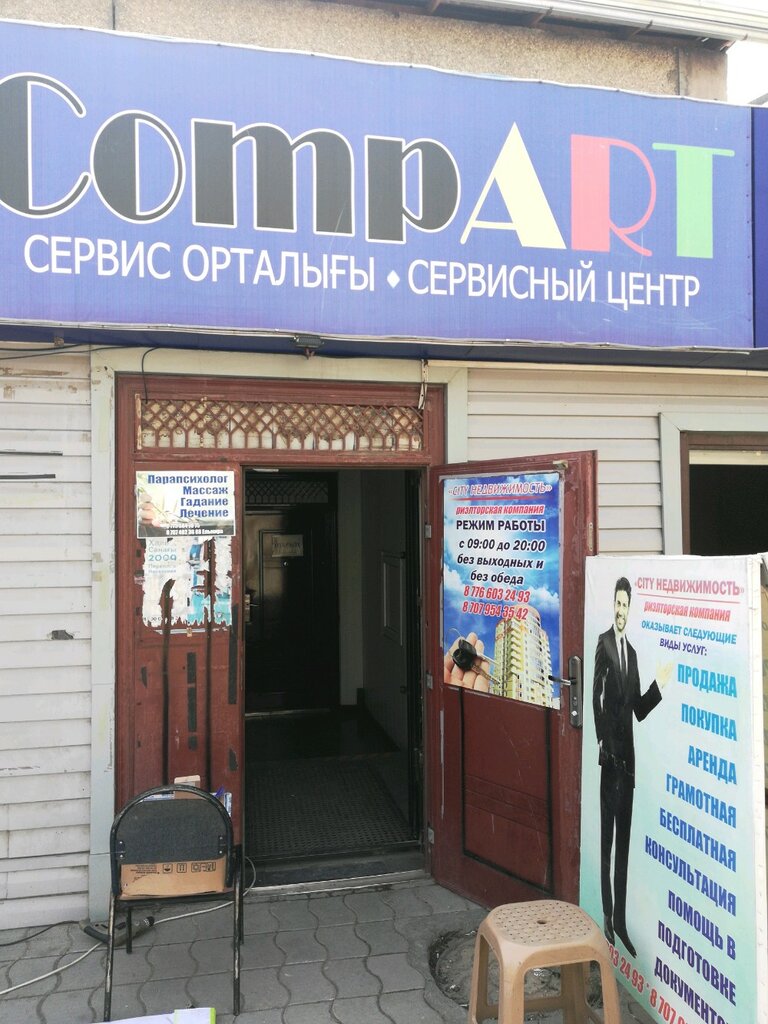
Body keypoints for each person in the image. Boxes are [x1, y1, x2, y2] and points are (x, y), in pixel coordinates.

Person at [593, 576, 668, 958]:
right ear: (613, 605)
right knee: (606, 843)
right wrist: (602, 741)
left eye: (626, 605)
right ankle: (606, 916)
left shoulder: (634, 654)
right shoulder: (603, 643)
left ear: (630, 608)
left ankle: (621, 922)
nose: (621, 610)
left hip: (629, 768)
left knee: (623, 847)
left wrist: (659, 686)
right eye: (618, 604)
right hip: (610, 761)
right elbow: (595, 694)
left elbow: (638, 709)